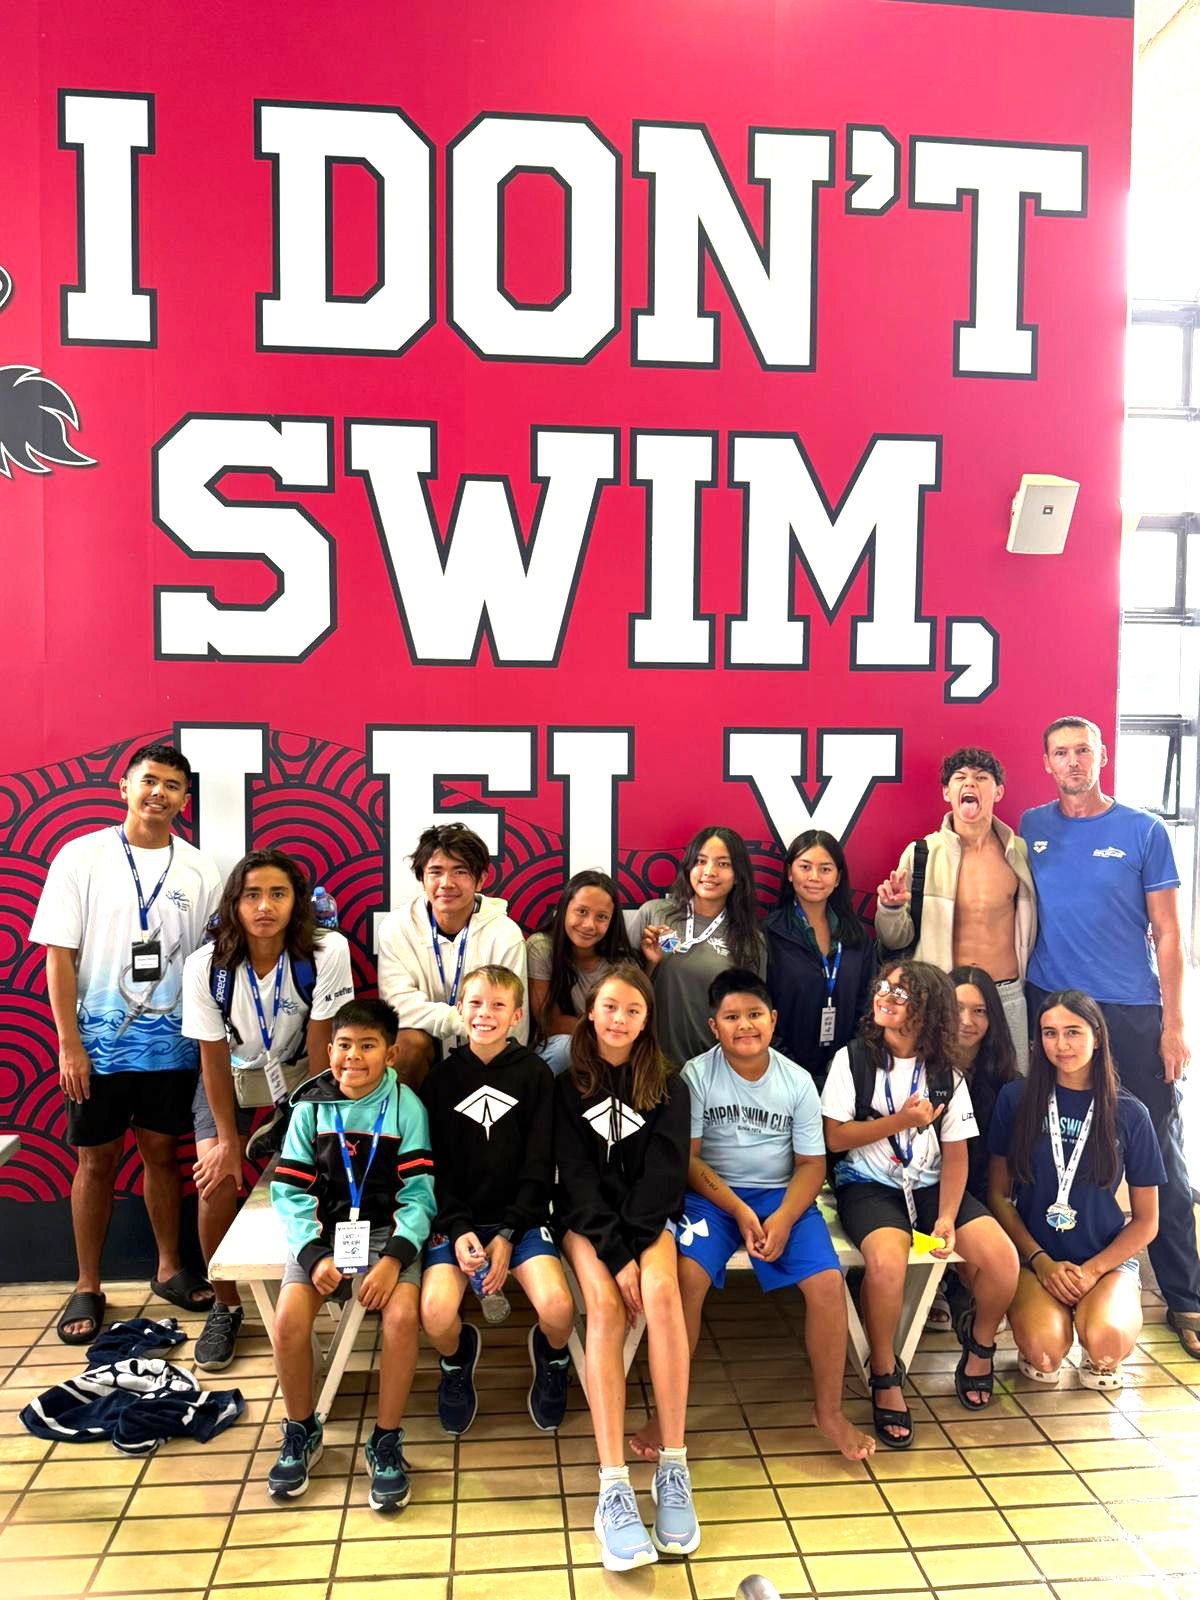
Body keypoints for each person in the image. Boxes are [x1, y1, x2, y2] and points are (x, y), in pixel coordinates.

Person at [629, 969, 874, 1465]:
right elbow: (690, 1161)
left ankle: (828, 1410)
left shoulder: (798, 1080)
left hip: (783, 1195)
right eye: (732, 1017)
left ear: (773, 1019)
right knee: (686, 1279)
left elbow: (811, 1165)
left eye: (755, 1015)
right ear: (713, 1026)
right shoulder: (695, 1077)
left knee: (828, 1284)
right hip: (711, 1199)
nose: (745, 1025)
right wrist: (738, 1210)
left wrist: (782, 1217)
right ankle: (669, 1414)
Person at [31, 743, 223, 1344]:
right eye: (149, 781)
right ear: (124, 786)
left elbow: (212, 960)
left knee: (163, 1157)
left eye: (171, 785)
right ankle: (88, 1283)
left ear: (185, 800)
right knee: (95, 1161)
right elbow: (58, 956)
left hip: (173, 1047)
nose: (158, 793)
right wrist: (69, 1045)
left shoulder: (200, 869)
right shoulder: (81, 857)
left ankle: (168, 1268)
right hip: (98, 1047)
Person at [1020, 716, 1200, 1360]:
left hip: (1130, 1012)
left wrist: (1175, 1024)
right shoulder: (1030, 828)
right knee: (1035, 1145)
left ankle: (1186, 1297)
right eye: (1061, 752)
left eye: (1083, 751)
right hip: (1053, 1009)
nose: (1072, 761)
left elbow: (1171, 935)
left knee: (1162, 1157)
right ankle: (1031, 1281)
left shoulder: (1144, 830)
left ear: (1102, 756)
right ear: (1046, 762)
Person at [821, 962, 1019, 1447]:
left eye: (901, 993)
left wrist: (948, 1215)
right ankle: (884, 1371)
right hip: (868, 1183)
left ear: (928, 1010)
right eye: (883, 986)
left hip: (930, 1186)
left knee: (1002, 1261)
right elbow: (834, 1136)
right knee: (885, 1265)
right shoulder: (854, 1060)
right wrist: (900, 1121)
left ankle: (980, 1344)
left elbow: (956, 1153)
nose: (885, 995)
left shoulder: (945, 1073)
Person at [182, 849, 354, 1369]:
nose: (264, 906)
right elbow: (210, 1056)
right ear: (234, 904)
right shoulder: (205, 965)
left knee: (320, 1168)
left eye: (278, 894)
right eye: (252, 895)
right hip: (232, 1075)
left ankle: (324, 1277)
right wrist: (228, 1144)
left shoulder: (326, 951)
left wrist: (304, 1126)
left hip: (304, 1069)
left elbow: (326, 1047)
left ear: (297, 903)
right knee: (214, 1177)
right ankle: (226, 1305)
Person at [554, 964, 696, 1571]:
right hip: (586, 1225)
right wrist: (616, 1256)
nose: (619, 1019)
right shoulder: (565, 1083)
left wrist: (639, 1251)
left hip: (646, 1221)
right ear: (592, 1012)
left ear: (646, 1020)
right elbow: (578, 1182)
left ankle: (673, 1465)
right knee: (607, 1308)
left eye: (632, 1010)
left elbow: (664, 1178)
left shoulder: (669, 1083)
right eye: (609, 1007)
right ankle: (612, 1485)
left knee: (663, 1293)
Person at [267, 999, 435, 1512]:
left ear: (391, 1052)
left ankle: (385, 1439)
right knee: (288, 1323)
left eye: (368, 1046)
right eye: (343, 1045)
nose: (353, 1057)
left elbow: (420, 1194)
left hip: (387, 1236)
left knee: (403, 1318)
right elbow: (290, 1192)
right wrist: (315, 1255)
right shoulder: (309, 1106)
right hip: (323, 1235)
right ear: (330, 1049)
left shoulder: (407, 1107)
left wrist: (392, 1259)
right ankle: (301, 1428)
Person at [419, 965, 575, 1435]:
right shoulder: (440, 1079)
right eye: (476, 1004)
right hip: (457, 1221)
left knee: (559, 1309)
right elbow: (434, 1168)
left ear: (517, 1016)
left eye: (498, 1005)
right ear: (460, 1011)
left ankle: (552, 1356)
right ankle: (456, 1360)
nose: (485, 1014)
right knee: (437, 1314)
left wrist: (508, 1233)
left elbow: (540, 1164)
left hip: (521, 1222)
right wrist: (461, 1226)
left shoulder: (535, 1076)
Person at [987, 990, 1165, 1389]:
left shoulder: (1131, 1113)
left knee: (1106, 1346)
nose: (1061, 1045)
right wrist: (1041, 1260)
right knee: (1045, 1354)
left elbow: (1147, 1221)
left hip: (1104, 1263)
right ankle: (1045, 1325)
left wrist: (1093, 1271)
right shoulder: (1015, 1098)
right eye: (1049, 1034)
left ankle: (1093, 1324)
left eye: (1073, 1032)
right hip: (1036, 1259)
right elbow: (997, 1195)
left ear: (1097, 1037)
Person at [875, 748, 1036, 1070]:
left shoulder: (1019, 853)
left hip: (1005, 993)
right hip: (941, 992)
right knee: (934, 1087)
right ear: (947, 792)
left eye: (981, 778)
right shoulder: (921, 853)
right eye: (960, 778)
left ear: (998, 791)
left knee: (1012, 1089)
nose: (970, 784)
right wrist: (890, 909)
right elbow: (896, 941)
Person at [376, 823, 528, 1089]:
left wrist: (475, 1028)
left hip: (484, 1044)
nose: (446, 883)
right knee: (407, 1045)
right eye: (435, 872)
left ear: (481, 879)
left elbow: (513, 1018)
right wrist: (457, 1020)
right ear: (422, 878)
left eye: (460, 871)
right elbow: (397, 1006)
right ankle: (404, 1127)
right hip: (426, 1046)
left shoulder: (504, 934)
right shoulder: (397, 928)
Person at [633, 826, 766, 1066]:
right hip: (650, 1063)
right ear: (688, 867)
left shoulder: (750, 940)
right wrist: (650, 964)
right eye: (700, 861)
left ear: (738, 875)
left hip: (712, 1069)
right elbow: (623, 992)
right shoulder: (654, 914)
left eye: (723, 864)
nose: (709, 872)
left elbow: (750, 1015)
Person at [764, 830, 876, 1091]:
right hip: (780, 1075)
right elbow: (760, 1007)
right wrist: (793, 1072)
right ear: (790, 873)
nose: (814, 877)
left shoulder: (857, 938)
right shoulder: (769, 934)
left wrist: (847, 1066)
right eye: (805, 867)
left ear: (838, 878)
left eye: (825, 869)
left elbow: (869, 1006)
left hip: (846, 1078)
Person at [526, 869, 636, 1075]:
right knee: (566, 1049)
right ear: (564, 908)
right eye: (582, 911)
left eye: (601, 917)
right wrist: (604, 1029)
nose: (589, 925)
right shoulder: (542, 947)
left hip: (609, 1047)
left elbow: (632, 1023)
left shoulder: (622, 961)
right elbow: (548, 1022)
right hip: (560, 1050)